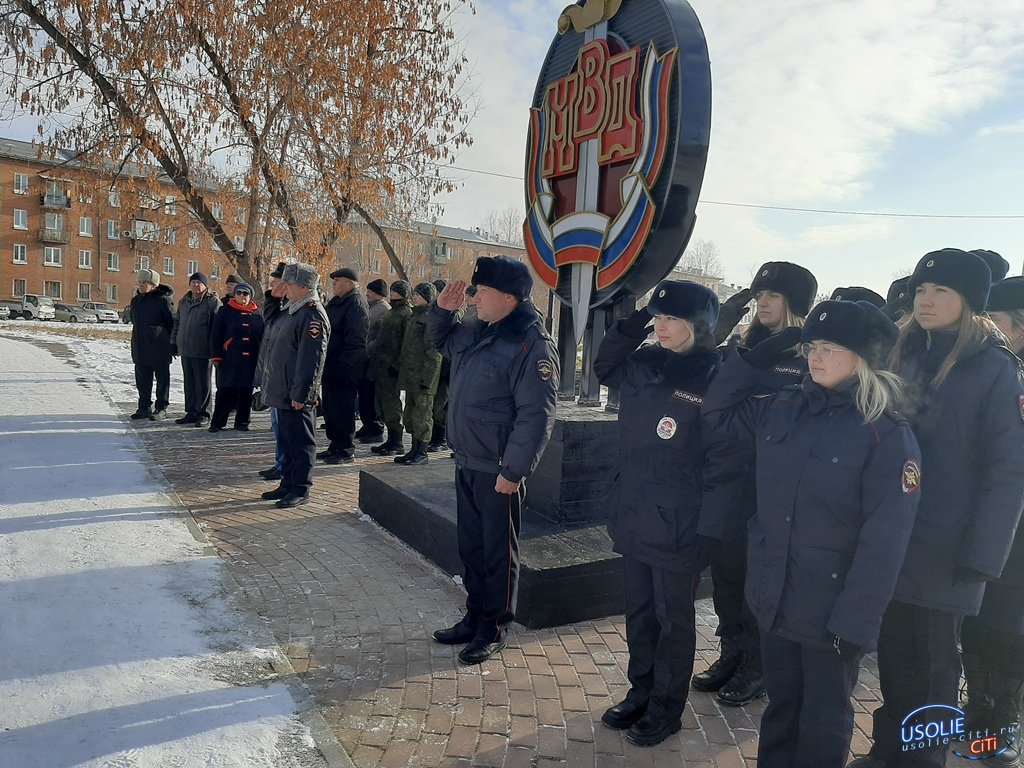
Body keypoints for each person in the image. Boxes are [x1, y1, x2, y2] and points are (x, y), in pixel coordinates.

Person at [704, 299, 921, 768]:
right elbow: (716, 414)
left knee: (824, 720)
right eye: (811, 347)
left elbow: (886, 540)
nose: (814, 357)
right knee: (781, 710)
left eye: (829, 348)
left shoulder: (886, 434)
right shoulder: (783, 406)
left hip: (831, 611)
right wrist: (754, 358)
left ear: (863, 357)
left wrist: (857, 623)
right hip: (774, 596)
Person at [851, 249, 1024, 768]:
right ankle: (891, 749)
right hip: (892, 535)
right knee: (896, 650)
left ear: (969, 302)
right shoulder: (901, 352)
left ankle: (921, 759)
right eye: (922, 290)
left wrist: (982, 557)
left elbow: (1008, 470)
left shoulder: (993, 369)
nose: (926, 300)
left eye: (941, 291)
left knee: (933, 663)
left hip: (949, 548)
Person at [593, 280, 744, 747]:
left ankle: (666, 707)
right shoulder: (642, 363)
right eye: (657, 317)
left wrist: (710, 532)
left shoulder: (715, 377)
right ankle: (640, 692)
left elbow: (726, 463)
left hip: (681, 525)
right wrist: (636, 319)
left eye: (670, 318)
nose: (660, 325)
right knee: (640, 614)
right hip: (635, 512)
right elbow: (604, 366)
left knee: (673, 621)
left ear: (698, 325)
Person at [696, 261, 817, 708]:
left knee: (759, 582)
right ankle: (732, 651)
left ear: (795, 304)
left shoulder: (806, 356)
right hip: (729, 478)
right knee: (727, 575)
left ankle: (758, 664)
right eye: (759, 294)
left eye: (774, 295)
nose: (762, 302)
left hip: (771, 485)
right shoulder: (741, 348)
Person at [428, 256, 558, 664]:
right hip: (469, 458)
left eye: (481, 292)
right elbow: (443, 343)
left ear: (509, 296)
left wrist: (513, 471)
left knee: (497, 552)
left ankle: (494, 627)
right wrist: (442, 314)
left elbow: (536, 415)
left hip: (498, 467)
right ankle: (474, 615)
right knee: (472, 547)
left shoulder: (530, 343)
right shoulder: (478, 328)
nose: (474, 298)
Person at [960, 275, 1024, 763]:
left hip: (1016, 532)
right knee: (977, 624)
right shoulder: (987, 368)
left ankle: (1001, 722)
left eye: (996, 321)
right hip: (979, 518)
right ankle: (978, 709)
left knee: (1006, 627)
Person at [259, 263, 330, 509]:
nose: (284, 288)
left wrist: (303, 393)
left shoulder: (311, 314)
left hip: (296, 393)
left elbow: (311, 360)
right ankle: (288, 482)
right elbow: (269, 322)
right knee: (288, 441)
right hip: (283, 390)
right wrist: (273, 295)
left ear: (302, 286)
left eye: (288, 284)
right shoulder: (290, 309)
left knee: (301, 442)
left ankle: (300, 488)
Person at [319, 267, 369, 465]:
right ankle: (335, 445)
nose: (333, 284)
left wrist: (345, 366)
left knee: (343, 408)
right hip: (331, 364)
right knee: (331, 408)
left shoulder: (356, 303)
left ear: (349, 283)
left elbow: (357, 339)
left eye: (337, 280)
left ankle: (346, 449)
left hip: (345, 367)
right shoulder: (337, 302)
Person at [394, 282, 443, 465]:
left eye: (418, 294)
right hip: (411, 376)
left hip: (423, 379)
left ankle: (421, 452)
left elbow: (434, 352)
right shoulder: (415, 316)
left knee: (422, 416)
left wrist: (428, 379)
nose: (414, 297)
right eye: (414, 293)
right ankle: (413, 449)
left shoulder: (430, 318)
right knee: (410, 415)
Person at [209, 283, 265, 432]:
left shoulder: (257, 315)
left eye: (245, 293)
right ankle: (218, 422)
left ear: (250, 296)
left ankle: (242, 422)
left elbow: (262, 337)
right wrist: (217, 356)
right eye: (239, 293)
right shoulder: (225, 311)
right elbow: (216, 334)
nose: (242, 296)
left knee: (246, 391)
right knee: (226, 390)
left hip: (250, 360)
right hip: (229, 358)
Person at [171, 271, 221, 426]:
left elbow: (217, 327)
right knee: (189, 382)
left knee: (203, 383)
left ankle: (204, 413)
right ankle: (191, 411)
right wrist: (173, 342)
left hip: (203, 349)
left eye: (199, 282)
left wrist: (215, 349)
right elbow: (177, 323)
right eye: (193, 282)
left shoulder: (212, 302)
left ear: (205, 285)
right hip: (186, 348)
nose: (195, 285)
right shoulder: (184, 301)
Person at [368, 281, 412, 456]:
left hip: (392, 367)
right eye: (392, 291)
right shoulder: (391, 312)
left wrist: (397, 365)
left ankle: (397, 441)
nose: (393, 294)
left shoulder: (406, 314)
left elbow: (406, 344)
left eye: (397, 291)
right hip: (381, 365)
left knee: (392, 405)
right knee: (382, 404)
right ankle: (390, 440)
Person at [257, 262, 289, 481]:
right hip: (271, 371)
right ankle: (280, 462)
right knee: (277, 425)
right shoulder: (279, 303)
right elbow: (269, 324)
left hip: (283, 377)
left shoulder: (292, 307)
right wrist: (272, 299)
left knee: (284, 428)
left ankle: (285, 465)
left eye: (276, 280)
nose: (272, 283)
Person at [129, 269, 174, 420]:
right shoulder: (136, 301)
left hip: (159, 347)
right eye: (140, 282)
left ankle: (161, 407)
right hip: (140, 347)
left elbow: (171, 323)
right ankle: (144, 407)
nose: (141, 285)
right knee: (142, 380)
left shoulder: (163, 300)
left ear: (153, 285)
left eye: (145, 283)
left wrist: (171, 344)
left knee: (162, 379)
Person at [355, 278, 390, 444]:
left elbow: (380, 337)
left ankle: (375, 429)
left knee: (371, 396)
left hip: (373, 360)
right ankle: (367, 424)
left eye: (370, 291)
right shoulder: (371, 307)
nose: (367, 294)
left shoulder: (384, 310)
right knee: (363, 396)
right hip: (364, 358)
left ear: (378, 294)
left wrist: (367, 348)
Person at [429, 278, 451, 452]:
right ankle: (436, 437)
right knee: (435, 406)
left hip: (445, 372)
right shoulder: (435, 313)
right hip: (436, 371)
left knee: (441, 408)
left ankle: (440, 438)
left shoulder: (452, 313)